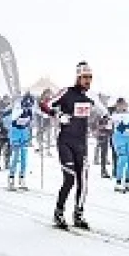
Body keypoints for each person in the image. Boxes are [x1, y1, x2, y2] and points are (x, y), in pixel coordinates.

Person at [39, 61, 106, 229]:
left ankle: (78, 214)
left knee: (83, 180)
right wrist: (57, 114)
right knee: (69, 179)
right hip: (65, 142)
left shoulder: (93, 97)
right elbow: (44, 104)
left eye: (90, 77)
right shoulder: (67, 92)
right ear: (77, 77)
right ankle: (59, 212)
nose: (87, 81)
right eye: (84, 77)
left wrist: (105, 123)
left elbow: (105, 114)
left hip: (81, 144)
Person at [6, 93, 36, 190]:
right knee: (15, 157)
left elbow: (30, 122)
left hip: (24, 133)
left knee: (24, 158)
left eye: (30, 105)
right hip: (15, 133)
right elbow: (12, 121)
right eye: (27, 105)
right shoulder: (17, 109)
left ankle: (22, 179)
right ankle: (11, 179)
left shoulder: (30, 111)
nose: (28, 107)